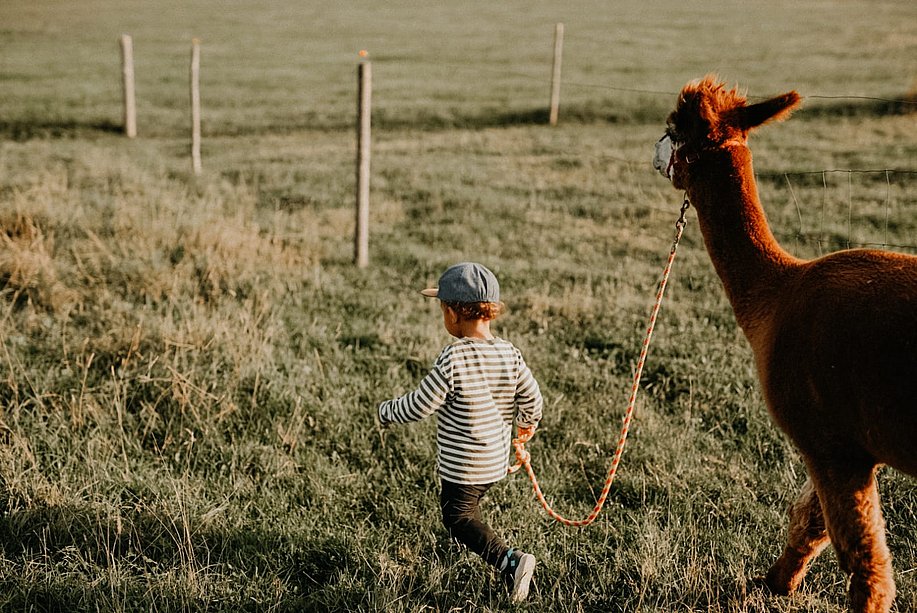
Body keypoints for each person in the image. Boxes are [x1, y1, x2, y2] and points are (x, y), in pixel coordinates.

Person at [378, 262, 544, 602]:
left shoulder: (454, 358)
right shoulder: (509, 354)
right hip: (493, 462)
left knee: (456, 516)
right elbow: (533, 397)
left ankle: (511, 562)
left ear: (454, 313)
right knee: (470, 509)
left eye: (442, 309)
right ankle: (481, 541)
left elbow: (420, 405)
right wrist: (527, 423)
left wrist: (387, 412)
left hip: (464, 465)